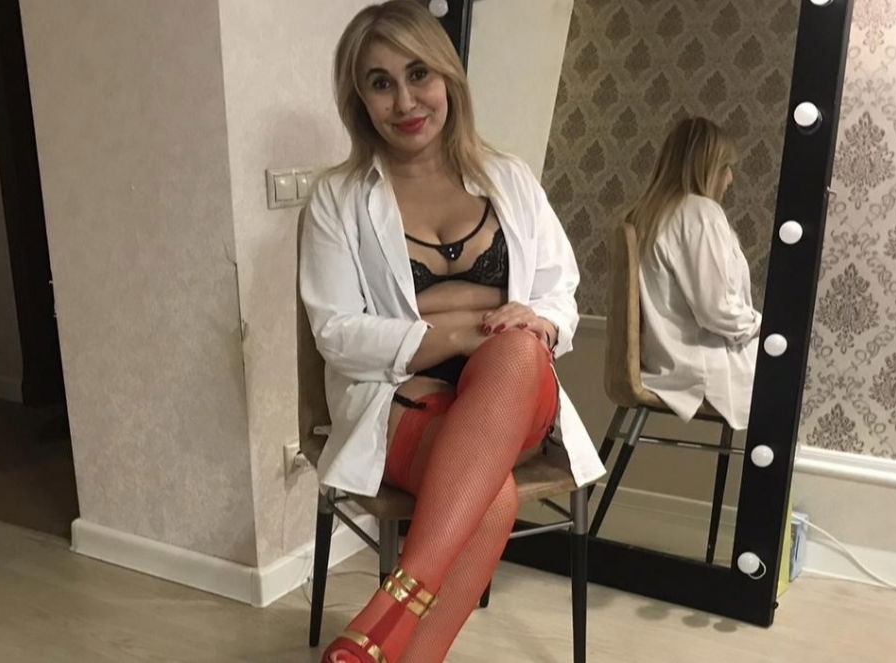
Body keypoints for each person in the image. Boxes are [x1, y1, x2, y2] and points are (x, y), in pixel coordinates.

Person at [298, 3, 604, 661]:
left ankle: (389, 608)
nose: (405, 101)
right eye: (380, 83)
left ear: (448, 78)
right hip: (401, 398)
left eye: (419, 74)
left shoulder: (509, 178)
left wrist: (541, 320)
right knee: (488, 495)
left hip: (514, 391)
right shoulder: (337, 197)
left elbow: (560, 288)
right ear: (359, 99)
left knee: (517, 349)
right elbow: (336, 332)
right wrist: (460, 339)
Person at [626, 117, 761, 431]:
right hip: (699, 367)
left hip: (662, 360)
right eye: (726, 167)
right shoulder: (699, 214)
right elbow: (717, 310)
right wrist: (761, 326)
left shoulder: (644, 214)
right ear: (708, 168)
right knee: (799, 372)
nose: (730, 178)